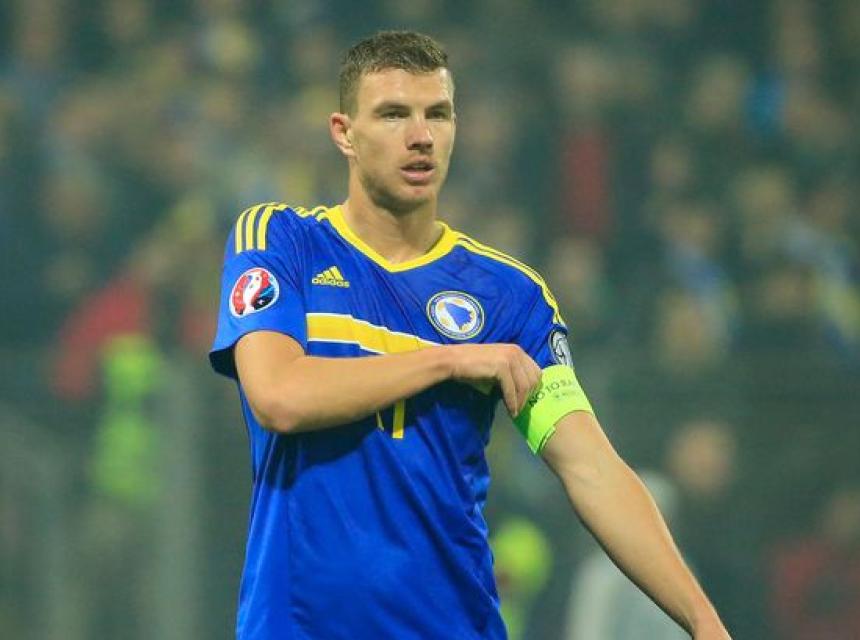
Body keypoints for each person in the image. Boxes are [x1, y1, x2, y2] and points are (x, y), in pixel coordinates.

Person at [209, 30, 730, 640]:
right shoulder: (281, 241)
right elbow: (280, 397)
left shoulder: (510, 295)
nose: (421, 136)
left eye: (438, 114)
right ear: (344, 133)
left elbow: (591, 467)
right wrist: (447, 362)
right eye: (393, 114)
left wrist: (704, 623)